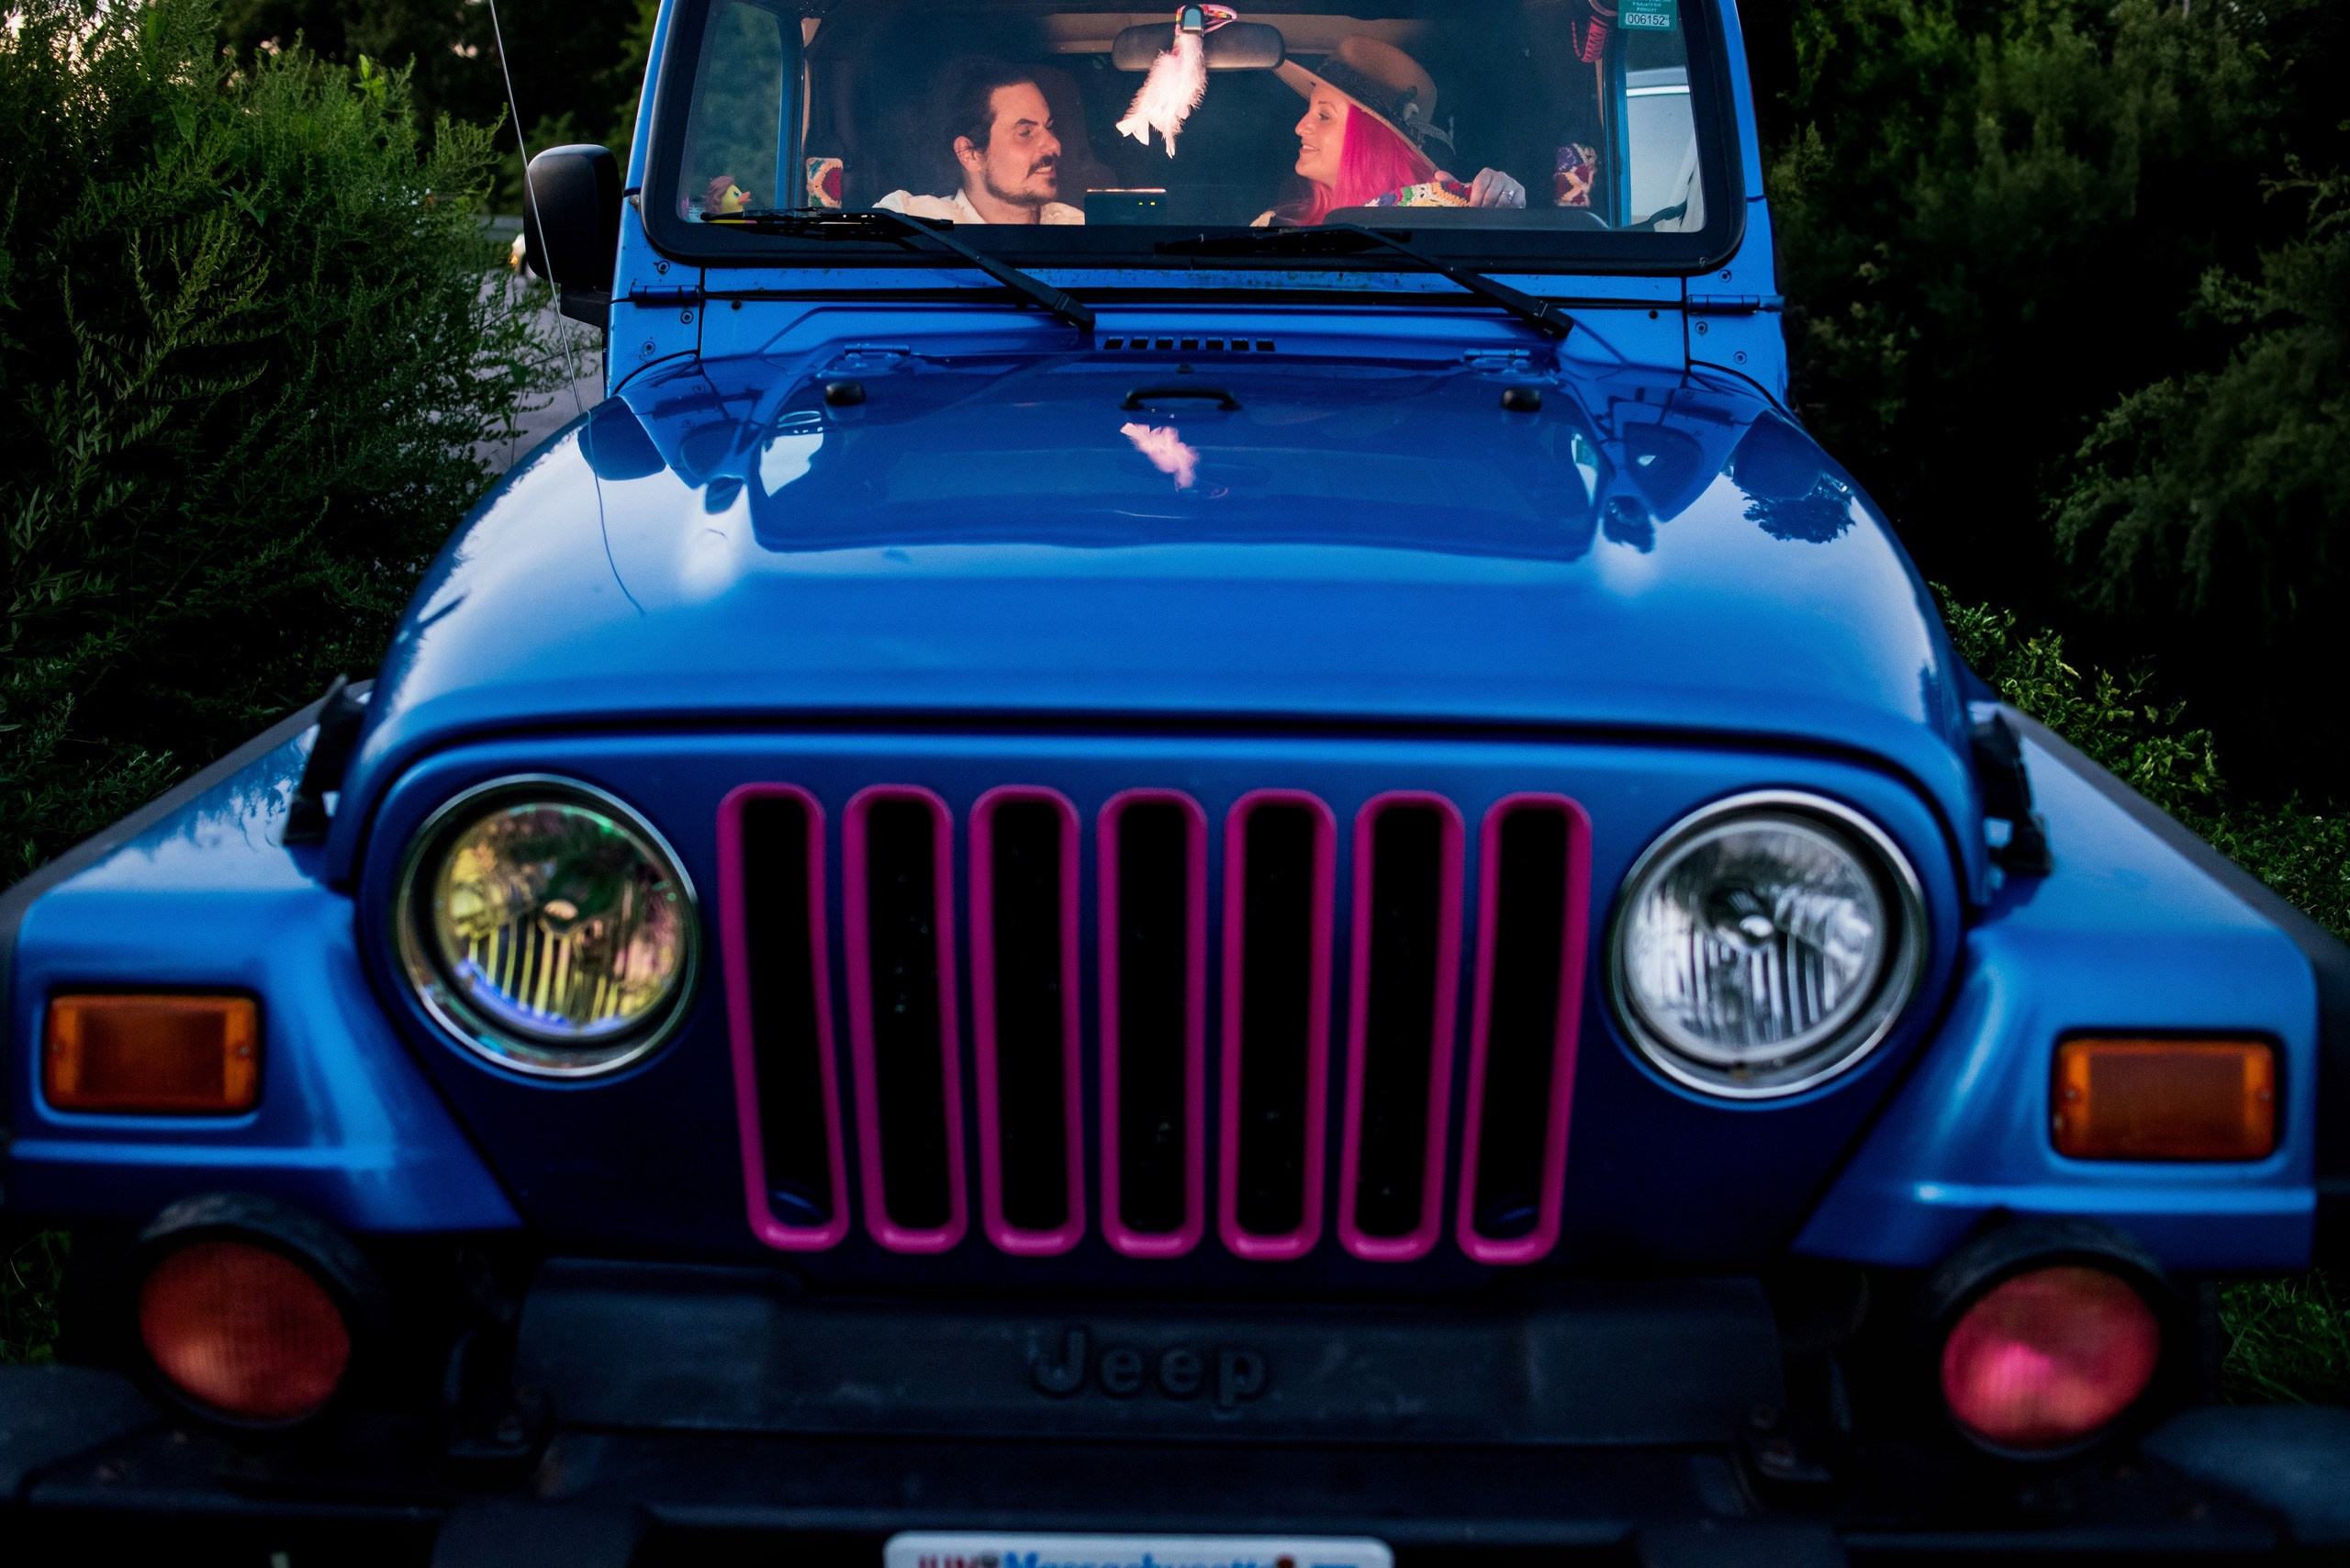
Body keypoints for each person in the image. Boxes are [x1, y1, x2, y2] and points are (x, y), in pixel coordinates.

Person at [1259, 38, 1527, 225]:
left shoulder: (1434, 230)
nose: (1300, 126)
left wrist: (1499, 207)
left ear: (1374, 141)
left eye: (1324, 115)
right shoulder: (1274, 228)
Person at [878, 58, 1085, 225]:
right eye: (1025, 133)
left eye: (1048, 127)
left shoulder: (1082, 231)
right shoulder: (911, 225)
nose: (1054, 145)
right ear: (969, 153)